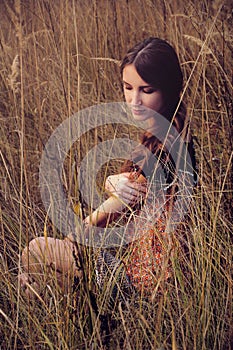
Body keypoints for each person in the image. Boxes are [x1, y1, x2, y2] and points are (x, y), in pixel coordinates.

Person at [20, 37, 196, 301]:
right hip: (140, 276)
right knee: (40, 280)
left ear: (169, 90)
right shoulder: (175, 137)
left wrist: (67, 244)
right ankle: (53, 300)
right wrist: (112, 181)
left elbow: (93, 225)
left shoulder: (164, 152)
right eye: (128, 87)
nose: (133, 100)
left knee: (36, 251)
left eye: (146, 90)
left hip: (140, 288)